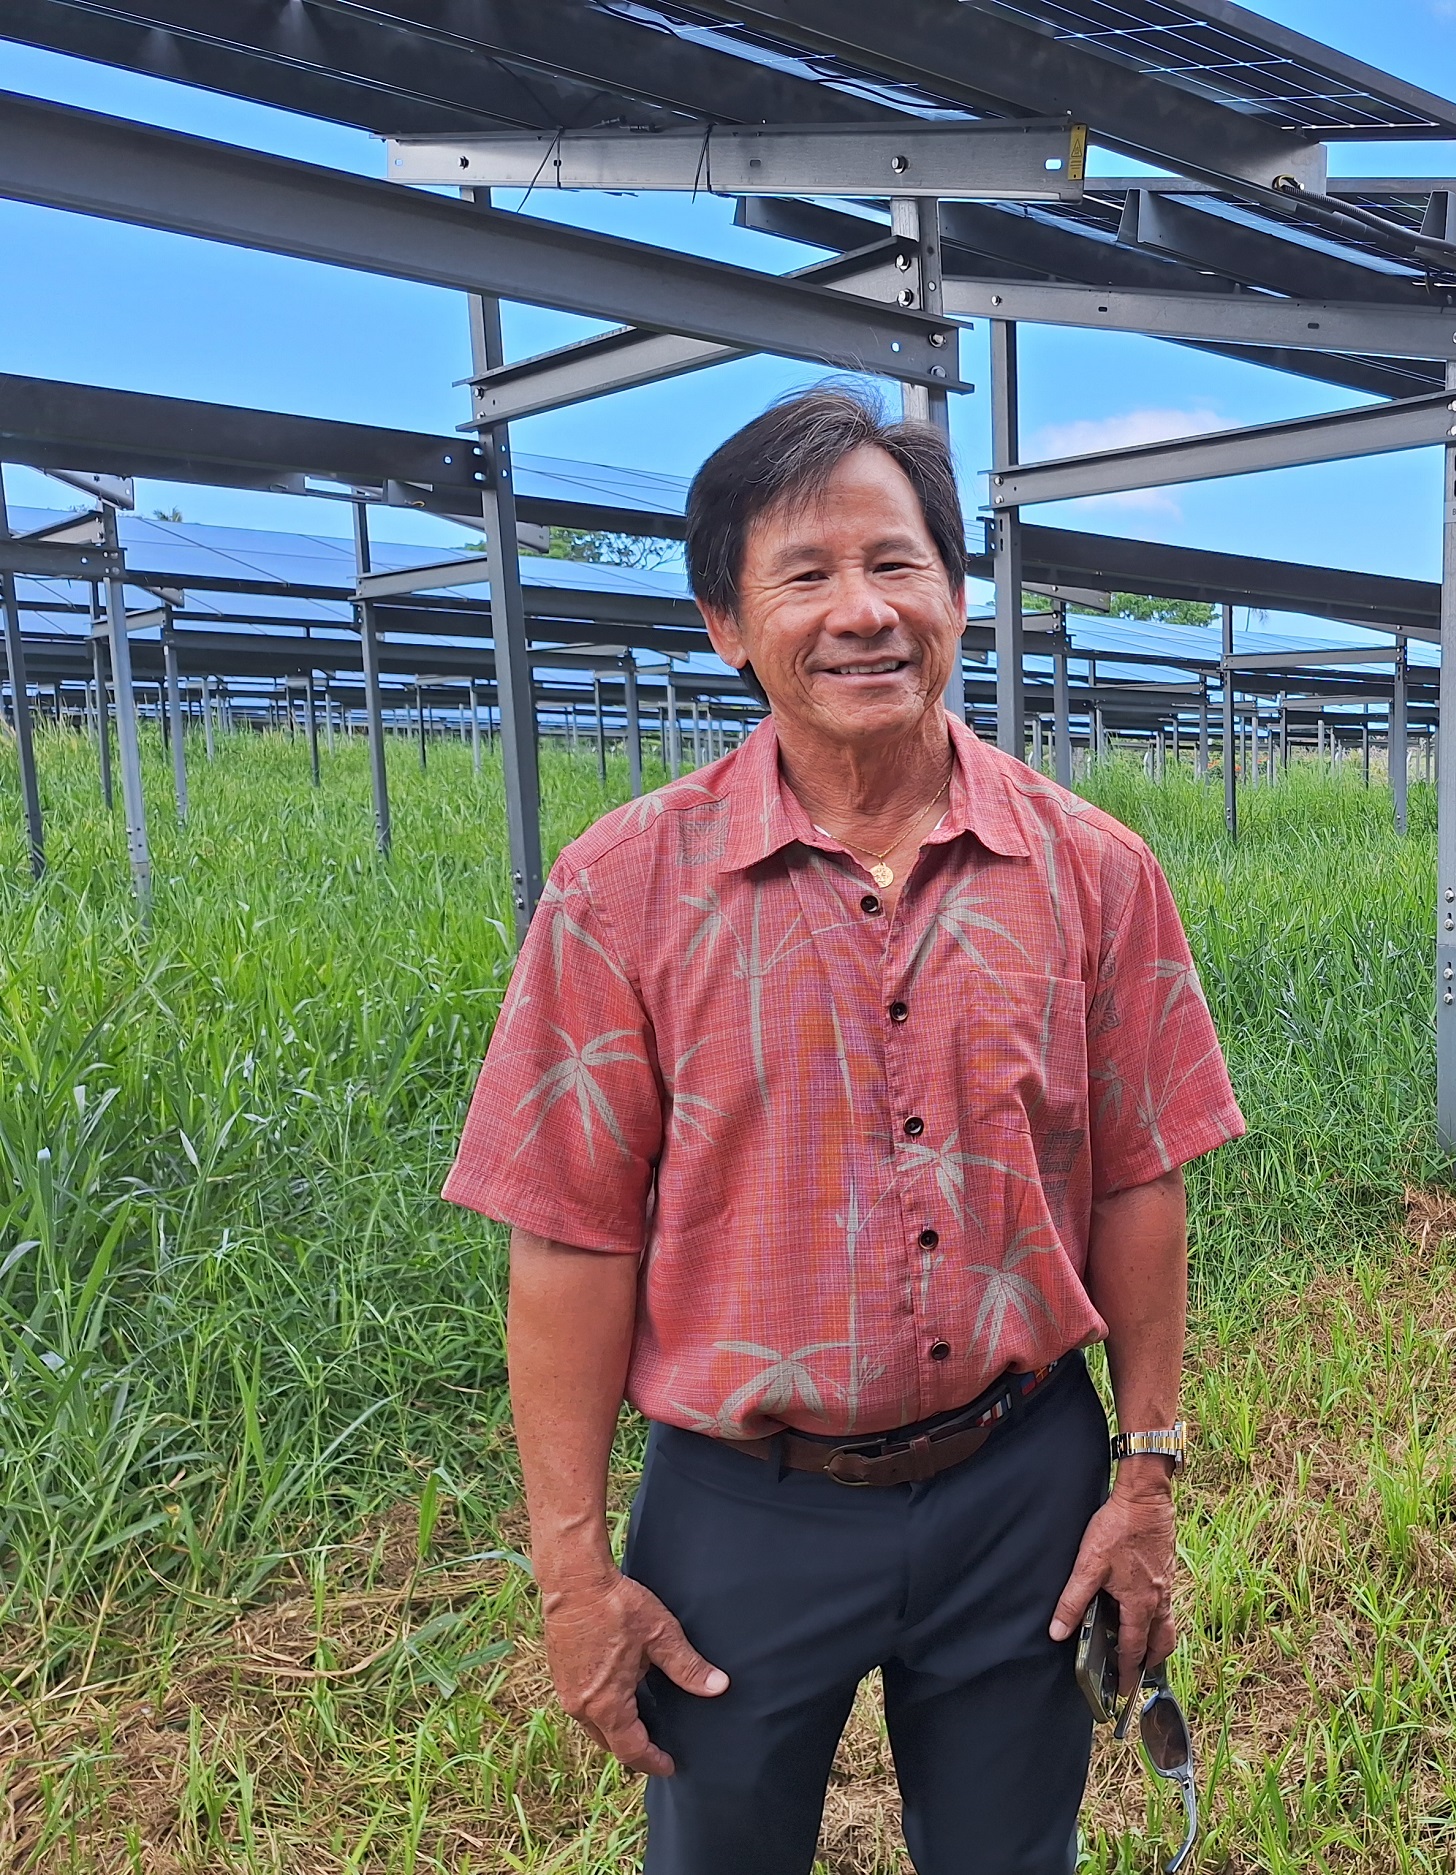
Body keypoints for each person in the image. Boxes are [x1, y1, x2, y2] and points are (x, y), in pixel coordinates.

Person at [443, 384, 1244, 1874]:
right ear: (725, 624)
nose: (862, 612)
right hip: (744, 1507)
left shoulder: (1095, 874)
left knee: (1013, 1857)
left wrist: (1144, 1480)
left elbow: (1140, 1183)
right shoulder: (624, 890)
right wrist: (569, 1565)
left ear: (959, 593)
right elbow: (568, 1236)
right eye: (805, 576)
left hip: (1024, 1479)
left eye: (898, 565)